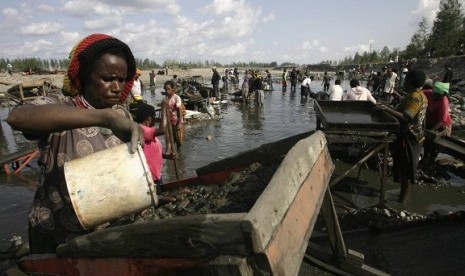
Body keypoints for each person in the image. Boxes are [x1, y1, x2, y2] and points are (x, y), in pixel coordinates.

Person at [6, 33, 141, 253]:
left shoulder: (122, 113)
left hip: (105, 234)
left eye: (122, 79)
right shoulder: (61, 106)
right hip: (57, 233)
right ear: (85, 76)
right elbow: (17, 118)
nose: (116, 87)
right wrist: (104, 117)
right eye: (107, 78)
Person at [380, 69, 428, 203]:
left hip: (409, 135)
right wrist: (398, 98)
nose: (404, 82)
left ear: (411, 82)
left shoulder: (414, 96)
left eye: (406, 80)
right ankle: (402, 197)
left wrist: (386, 109)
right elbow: (422, 118)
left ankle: (403, 200)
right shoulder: (421, 95)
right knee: (407, 166)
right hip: (417, 135)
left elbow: (407, 116)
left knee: (406, 168)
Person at [130, 102, 174, 185]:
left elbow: (151, 152)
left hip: (156, 174)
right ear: (149, 118)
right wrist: (164, 110)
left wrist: (166, 156)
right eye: (154, 117)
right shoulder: (141, 129)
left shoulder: (149, 131)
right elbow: (162, 130)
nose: (155, 119)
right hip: (149, 176)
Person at [422, 80, 452, 165]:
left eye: (437, 95)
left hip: (442, 125)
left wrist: (431, 131)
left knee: (435, 144)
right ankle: (425, 159)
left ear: (443, 95)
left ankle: (431, 162)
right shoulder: (429, 93)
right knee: (427, 143)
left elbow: (441, 121)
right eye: (434, 93)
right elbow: (418, 93)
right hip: (431, 121)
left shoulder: (443, 102)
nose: (434, 95)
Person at [163, 80, 184, 152]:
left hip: (176, 121)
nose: (167, 91)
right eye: (166, 89)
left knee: (178, 139)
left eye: (168, 89)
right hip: (168, 122)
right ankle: (169, 152)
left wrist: (179, 123)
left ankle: (179, 152)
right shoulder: (165, 99)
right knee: (168, 138)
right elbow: (164, 112)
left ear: (172, 89)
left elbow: (179, 110)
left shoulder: (176, 98)